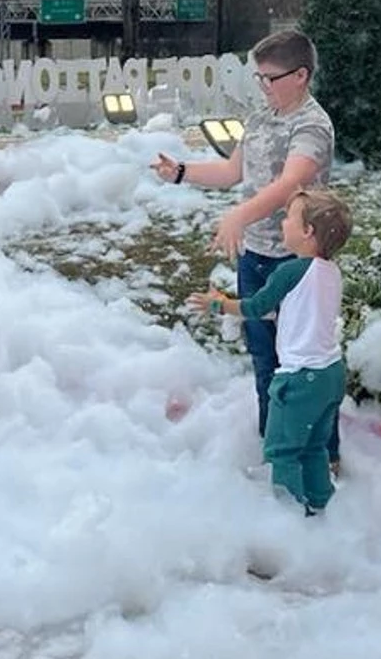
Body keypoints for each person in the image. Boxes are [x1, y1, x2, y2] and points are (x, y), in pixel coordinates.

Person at [150, 30, 339, 469]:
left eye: (270, 79)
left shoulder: (311, 124)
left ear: (301, 76)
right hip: (257, 256)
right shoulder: (260, 117)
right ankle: (274, 447)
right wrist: (180, 172)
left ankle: (322, 456)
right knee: (264, 358)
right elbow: (233, 171)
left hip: (299, 259)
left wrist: (239, 216)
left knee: (304, 363)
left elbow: (291, 182)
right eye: (259, 78)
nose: (263, 87)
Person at [187, 189, 353, 514]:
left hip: (301, 377)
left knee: (282, 451)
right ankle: (321, 507)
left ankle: (288, 522)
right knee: (314, 446)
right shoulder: (331, 272)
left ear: (307, 232)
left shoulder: (291, 271)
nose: (283, 224)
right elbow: (292, 310)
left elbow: (257, 307)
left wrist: (218, 305)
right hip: (330, 373)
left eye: (289, 217)